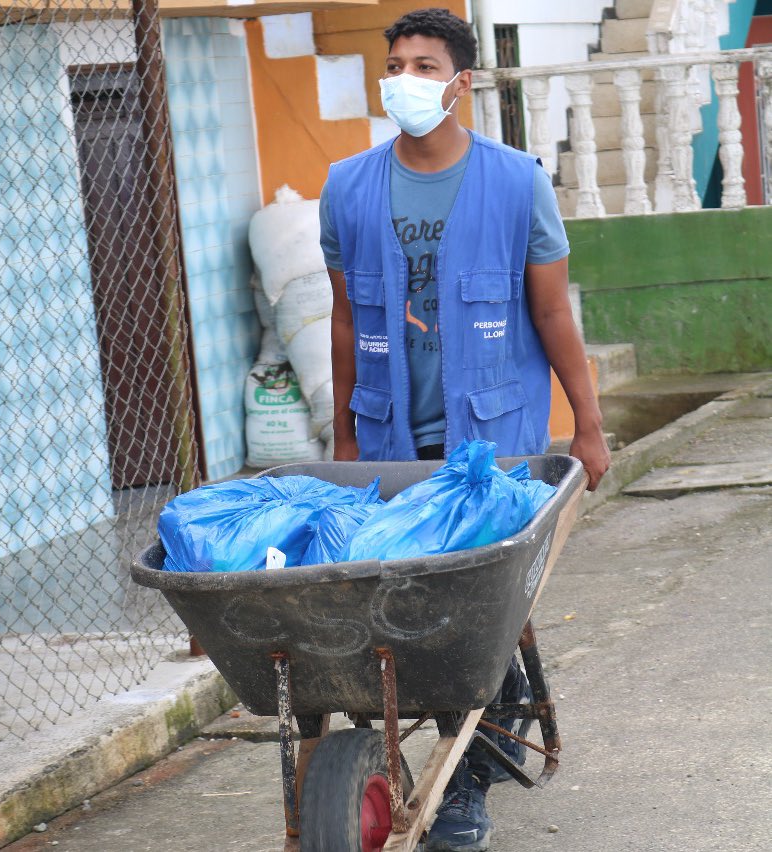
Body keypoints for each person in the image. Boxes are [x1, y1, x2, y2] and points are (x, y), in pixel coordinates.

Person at [319, 8, 610, 850]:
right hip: (391, 444)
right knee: (402, 614)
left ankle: (466, 785)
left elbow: (551, 313)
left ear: (460, 82)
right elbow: (346, 321)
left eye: (423, 65)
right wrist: (344, 438)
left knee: (477, 620)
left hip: (492, 443)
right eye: (395, 65)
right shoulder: (349, 186)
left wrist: (588, 426)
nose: (404, 80)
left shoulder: (515, 183)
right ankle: (427, 759)